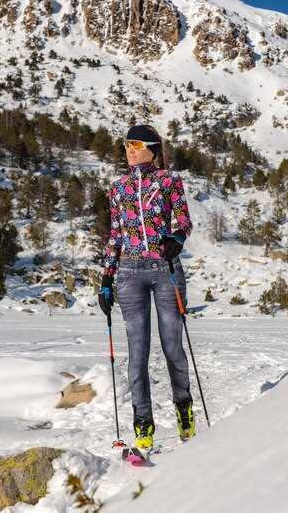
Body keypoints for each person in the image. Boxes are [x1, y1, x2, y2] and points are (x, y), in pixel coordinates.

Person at [98, 124, 195, 451]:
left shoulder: (169, 181)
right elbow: (115, 235)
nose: (130, 150)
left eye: (136, 144)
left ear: (153, 147)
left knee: (172, 348)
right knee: (136, 355)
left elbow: (183, 222)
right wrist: (107, 277)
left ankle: (184, 408)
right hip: (128, 273)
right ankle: (143, 424)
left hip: (165, 269)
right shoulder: (118, 188)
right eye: (126, 145)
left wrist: (176, 239)